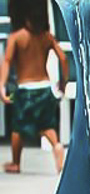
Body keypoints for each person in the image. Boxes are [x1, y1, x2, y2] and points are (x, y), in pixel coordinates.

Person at [0, 0, 68, 174]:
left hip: (25, 90)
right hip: (45, 88)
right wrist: (63, 82)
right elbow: (63, 58)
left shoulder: (17, 37)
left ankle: (16, 162)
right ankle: (57, 146)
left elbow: (6, 62)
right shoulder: (46, 36)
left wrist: (1, 85)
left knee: (18, 128)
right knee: (47, 126)